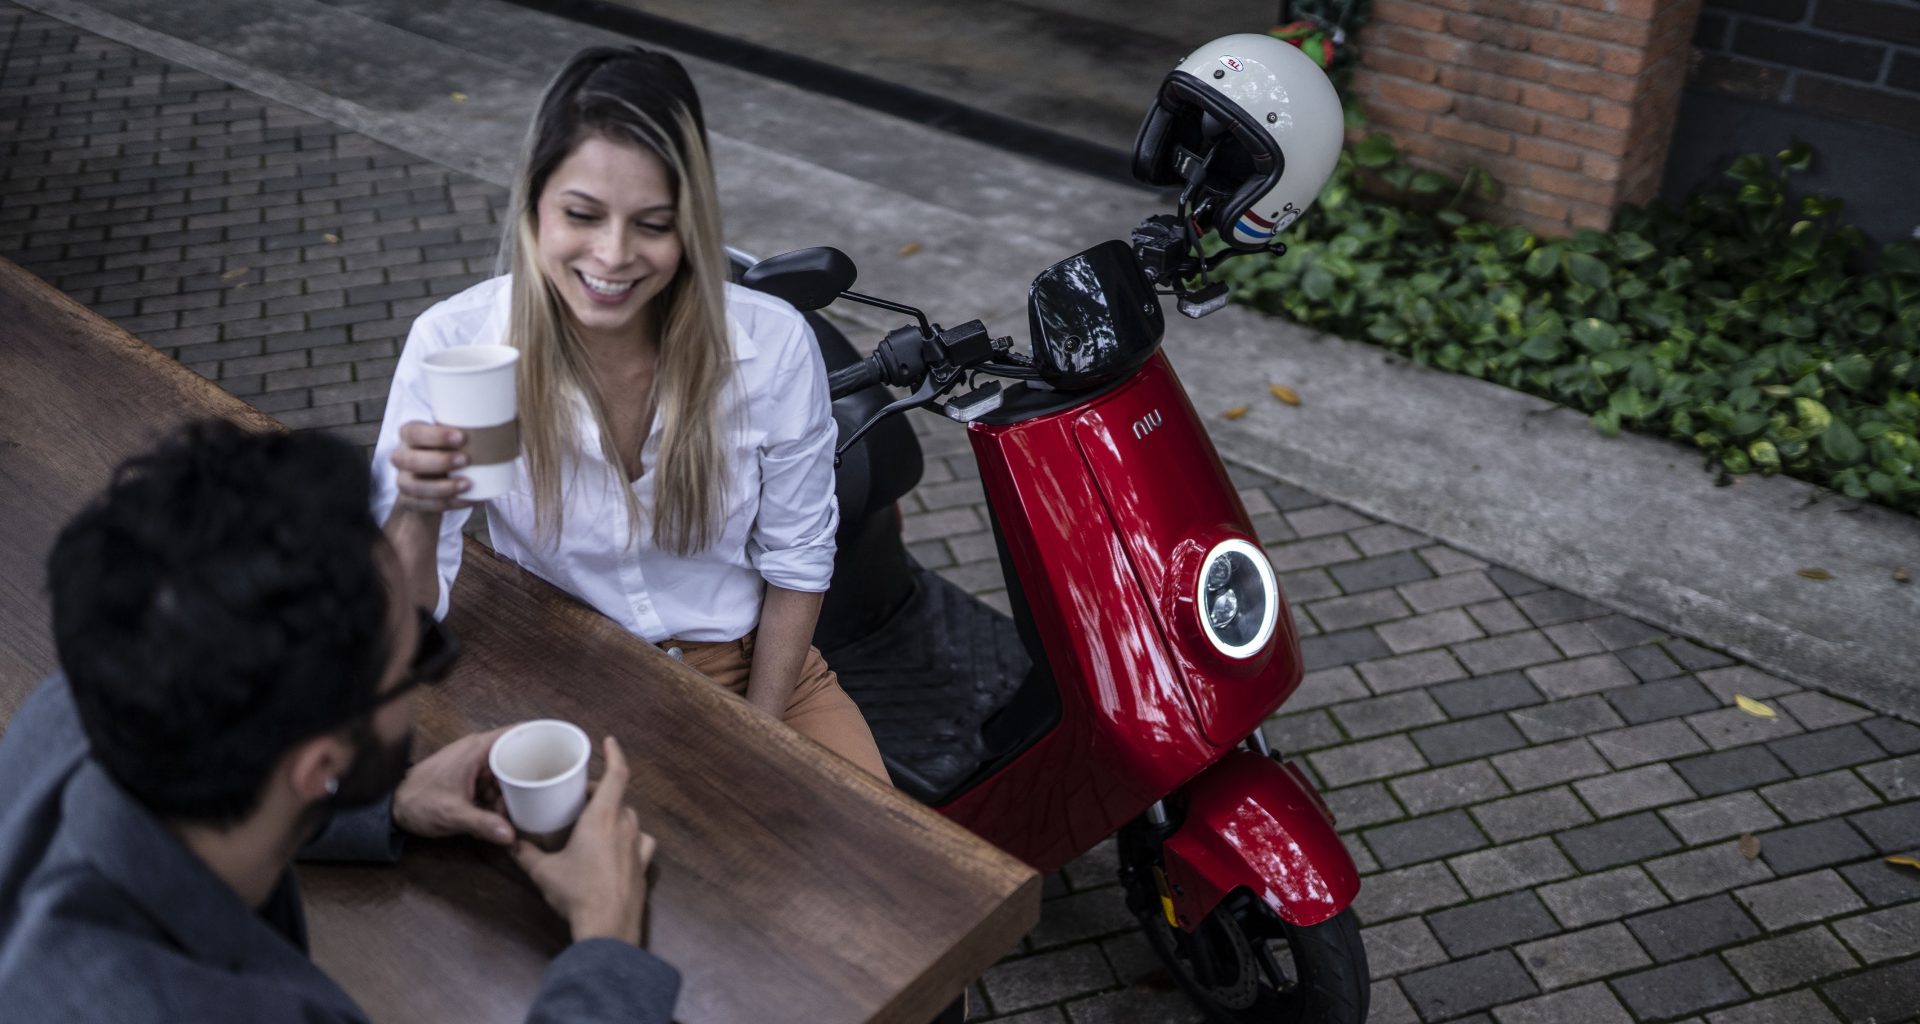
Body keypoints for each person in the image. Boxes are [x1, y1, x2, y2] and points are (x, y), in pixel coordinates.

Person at [0, 421, 676, 1023]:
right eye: (418, 659)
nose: (422, 669)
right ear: (320, 763)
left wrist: (388, 798)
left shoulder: (79, 704)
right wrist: (607, 947)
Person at [373, 46, 888, 781]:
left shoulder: (771, 345)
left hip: (755, 673)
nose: (612, 256)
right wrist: (419, 509)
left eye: (652, 224)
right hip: (565, 684)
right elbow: (407, 620)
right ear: (533, 206)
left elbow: (799, 562)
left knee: (887, 880)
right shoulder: (455, 343)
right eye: (582, 215)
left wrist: (761, 738)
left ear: (692, 226)